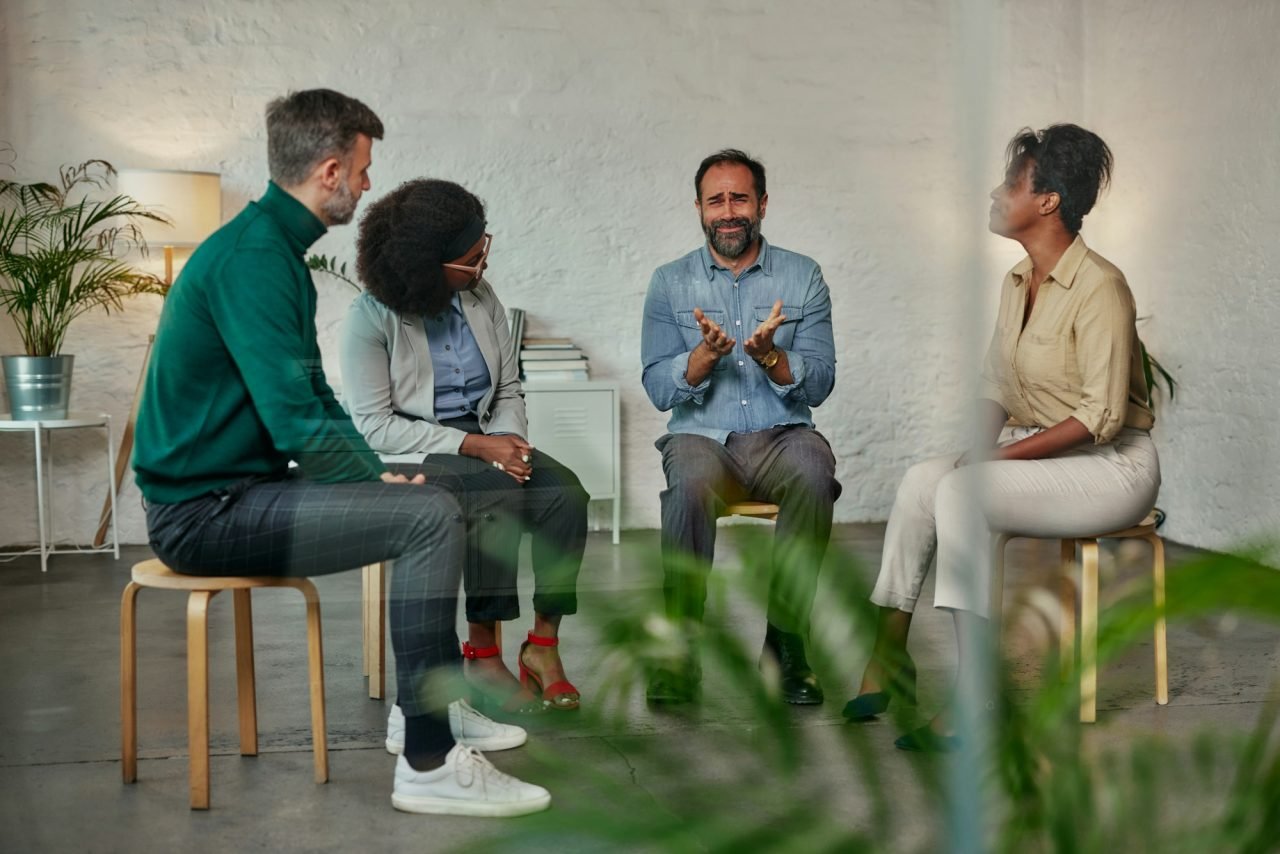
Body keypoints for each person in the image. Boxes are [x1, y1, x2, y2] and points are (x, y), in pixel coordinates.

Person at [132, 89, 550, 816]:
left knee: (434, 494)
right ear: (329, 170)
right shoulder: (253, 262)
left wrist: (376, 470)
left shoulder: (273, 255)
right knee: (424, 517)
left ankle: (434, 707)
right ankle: (428, 761)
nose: (364, 186)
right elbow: (294, 420)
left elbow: (314, 395)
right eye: (361, 170)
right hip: (204, 515)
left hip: (244, 494)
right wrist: (376, 480)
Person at [843, 124, 1160, 751]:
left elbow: (1101, 416)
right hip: (1047, 454)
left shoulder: (1102, 286)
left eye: (1011, 182)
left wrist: (997, 457)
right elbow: (995, 383)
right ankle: (889, 654)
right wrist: (982, 444)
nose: (995, 191)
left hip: (1112, 468)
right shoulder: (1017, 281)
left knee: (964, 492)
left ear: (1047, 201)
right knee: (921, 481)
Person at [339, 178, 589, 715]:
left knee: (567, 493)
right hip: (415, 449)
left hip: (487, 436)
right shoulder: (370, 317)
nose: (482, 267)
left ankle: (543, 646)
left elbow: (507, 386)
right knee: (491, 487)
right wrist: (475, 446)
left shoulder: (481, 297)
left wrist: (508, 440)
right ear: (426, 266)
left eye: (482, 252)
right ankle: (482, 650)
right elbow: (375, 426)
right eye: (470, 260)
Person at [639, 149, 840, 705]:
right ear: (700, 209)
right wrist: (703, 358)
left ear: (763, 204)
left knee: (813, 466)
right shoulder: (669, 282)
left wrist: (773, 357)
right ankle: (679, 648)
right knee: (691, 481)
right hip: (702, 436)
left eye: (740, 198)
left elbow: (820, 382)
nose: (728, 211)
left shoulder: (803, 276)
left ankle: (786, 645)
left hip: (782, 436)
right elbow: (659, 388)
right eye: (716, 200)